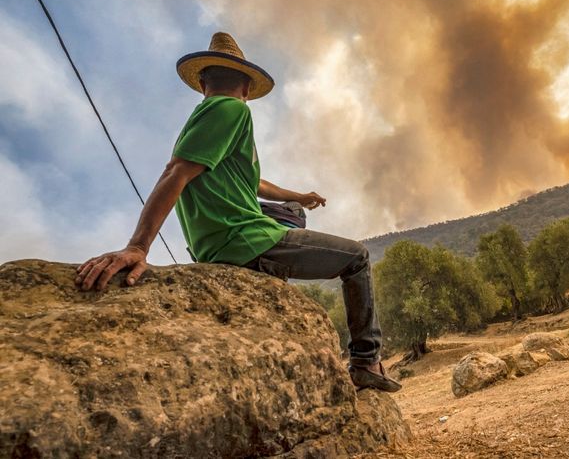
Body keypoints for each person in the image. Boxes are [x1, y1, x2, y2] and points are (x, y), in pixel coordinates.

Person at [75, 32, 401, 393]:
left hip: (218, 242)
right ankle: (366, 361)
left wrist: (300, 196)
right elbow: (175, 172)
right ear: (246, 86)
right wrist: (138, 246)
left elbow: (254, 181)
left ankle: (274, 270)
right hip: (242, 239)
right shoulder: (233, 110)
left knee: (293, 212)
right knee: (356, 257)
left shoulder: (208, 120)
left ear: (202, 83)